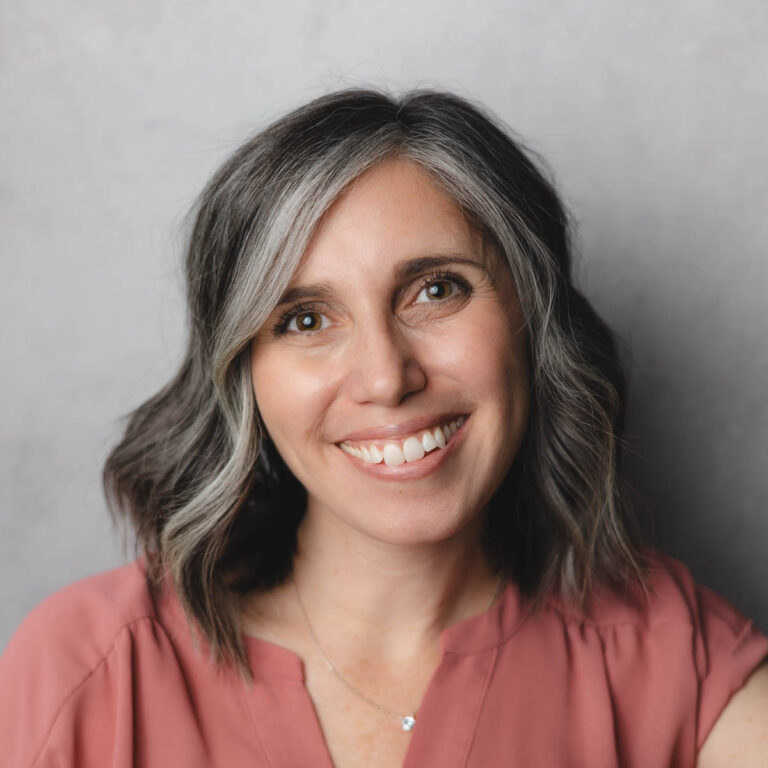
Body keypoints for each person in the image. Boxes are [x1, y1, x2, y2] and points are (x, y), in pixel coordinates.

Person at [1, 89, 766, 768]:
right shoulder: (91, 668)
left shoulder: (677, 662)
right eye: (305, 319)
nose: (385, 377)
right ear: (243, 376)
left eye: (436, 289)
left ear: (532, 322)